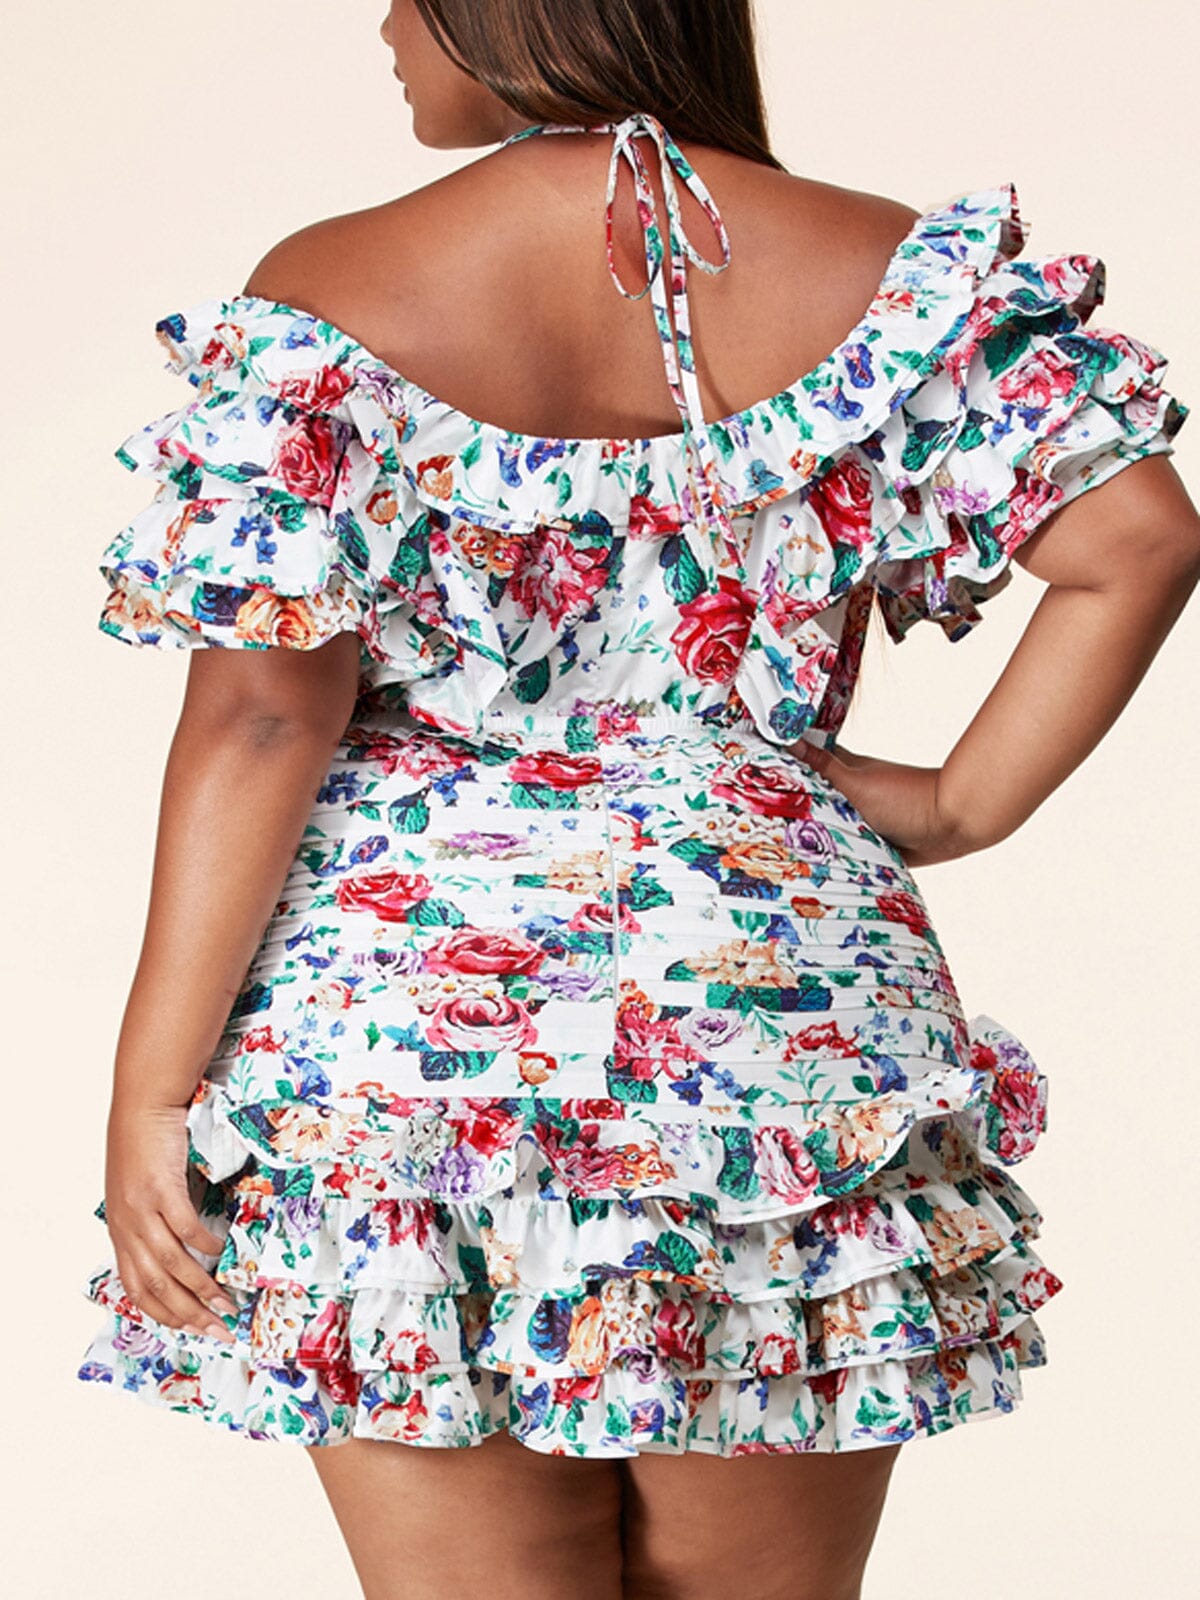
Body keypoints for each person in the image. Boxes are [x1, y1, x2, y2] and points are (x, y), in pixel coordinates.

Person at [75, 3, 1200, 1598]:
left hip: (409, 1055)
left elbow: (264, 714)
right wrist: (956, 804)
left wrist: (151, 1087)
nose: (382, 18)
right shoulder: (891, 277)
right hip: (779, 1029)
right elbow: (1140, 539)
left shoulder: (332, 294)